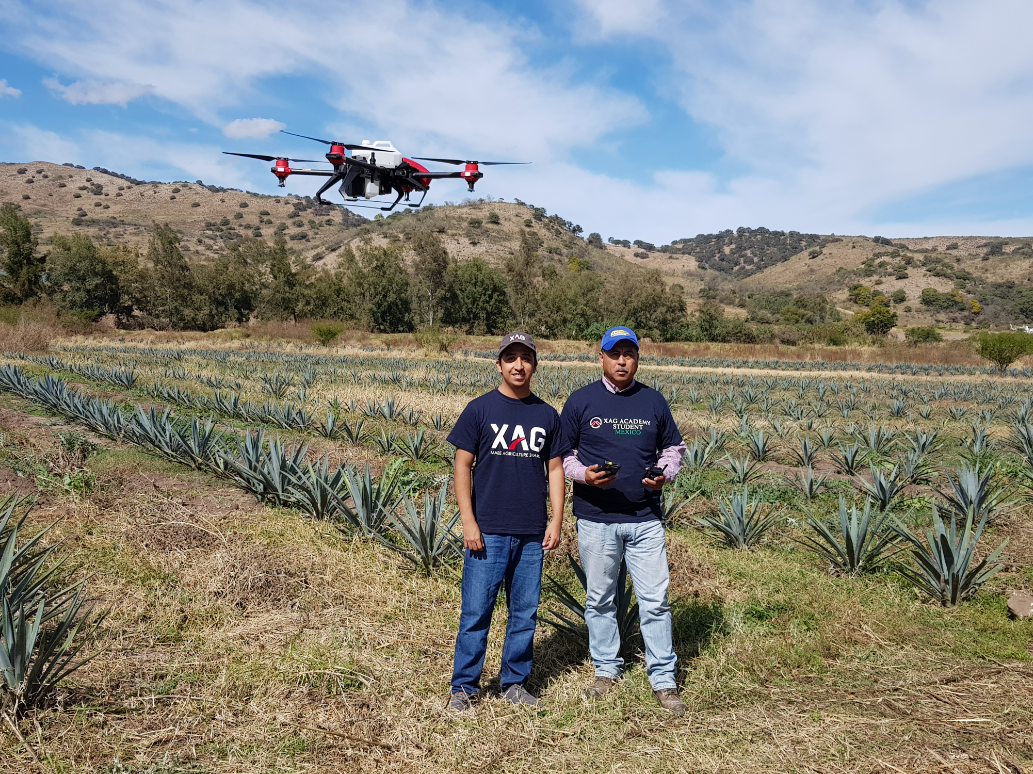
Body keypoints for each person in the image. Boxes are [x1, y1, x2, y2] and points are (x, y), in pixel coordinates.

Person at [559, 326, 687, 713]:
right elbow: (563, 456)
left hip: (645, 519)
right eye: (614, 354)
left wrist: (664, 472)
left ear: (637, 358)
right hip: (596, 519)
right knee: (599, 599)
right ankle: (606, 669)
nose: (622, 361)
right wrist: (584, 475)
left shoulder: (653, 401)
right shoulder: (581, 401)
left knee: (655, 601)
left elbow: (674, 447)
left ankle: (663, 680)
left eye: (629, 354)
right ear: (600, 356)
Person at [447, 332, 570, 710]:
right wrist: (469, 522)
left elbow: (555, 470)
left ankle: (514, 682)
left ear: (534, 364)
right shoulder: (480, 409)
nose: (519, 365)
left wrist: (556, 520)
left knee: (525, 614)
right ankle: (464, 688)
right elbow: (462, 466)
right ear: (498, 364)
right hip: (489, 532)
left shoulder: (547, 414)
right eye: (511, 358)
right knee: (476, 613)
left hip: (531, 533)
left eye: (526, 358)